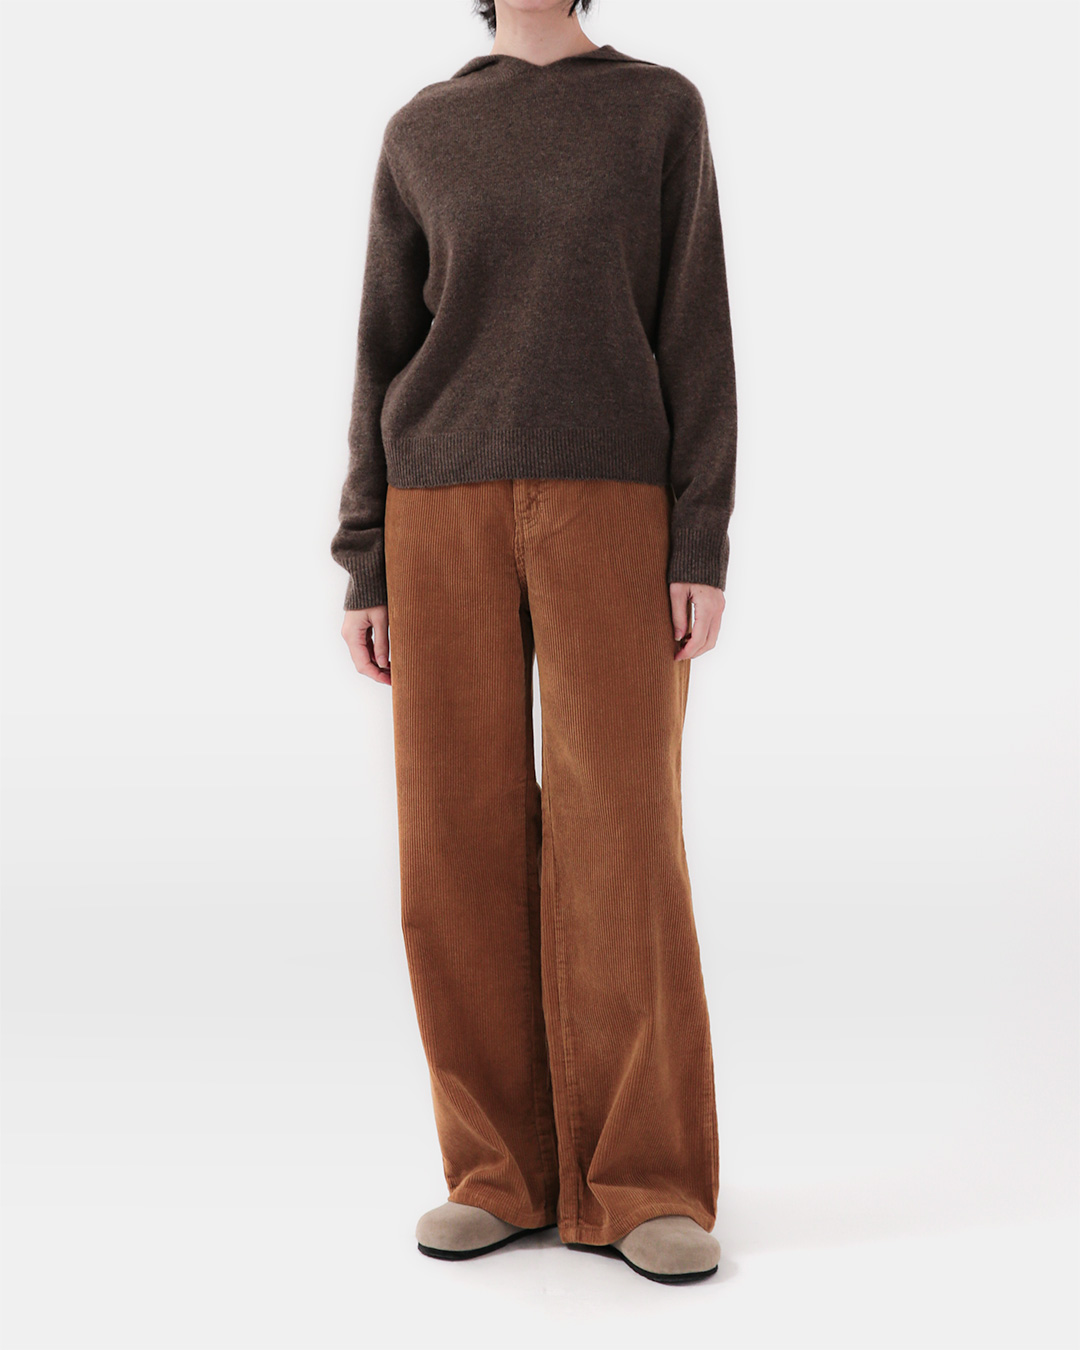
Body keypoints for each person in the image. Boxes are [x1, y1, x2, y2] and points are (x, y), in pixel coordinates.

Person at [331, 0, 737, 1285]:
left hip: (613, 501)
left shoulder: (657, 109)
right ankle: (497, 1171)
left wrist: (700, 537)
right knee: (453, 832)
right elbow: (382, 349)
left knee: (623, 827)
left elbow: (696, 327)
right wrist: (365, 554)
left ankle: (644, 1179)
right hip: (436, 504)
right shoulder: (424, 129)